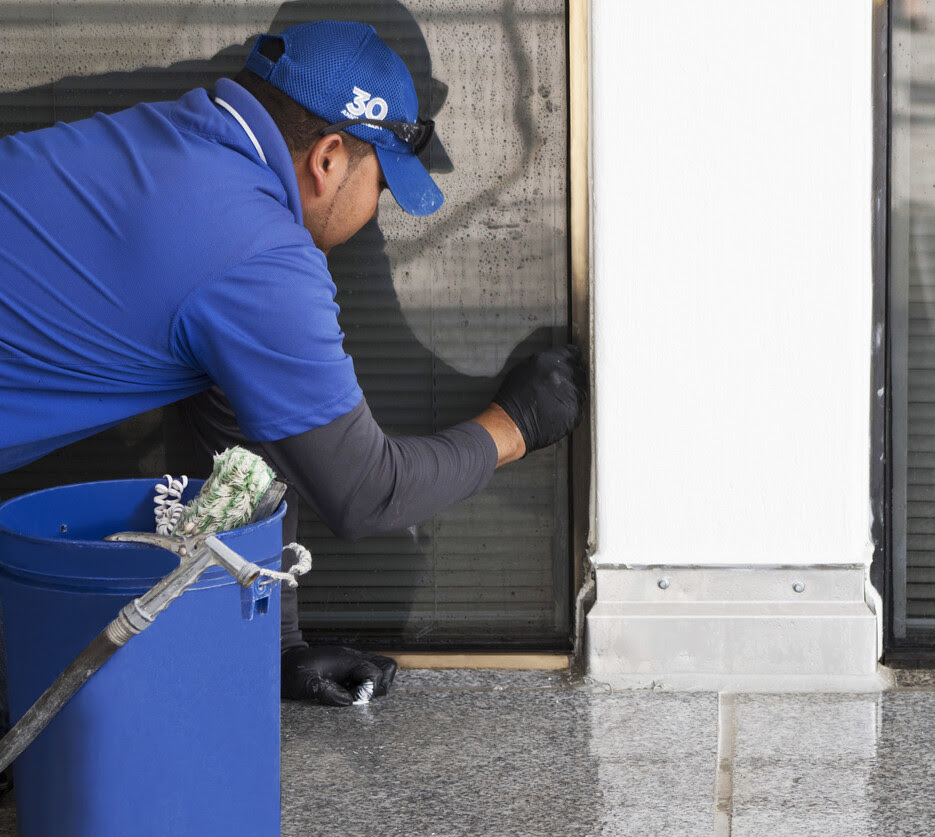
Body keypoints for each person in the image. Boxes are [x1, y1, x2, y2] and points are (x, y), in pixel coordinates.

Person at [0, 20, 586, 706]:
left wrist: (276, 644)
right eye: (382, 186)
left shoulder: (165, 144)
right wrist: (514, 425)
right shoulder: (259, 254)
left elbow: (239, 452)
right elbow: (367, 492)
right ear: (330, 157)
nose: (374, 215)